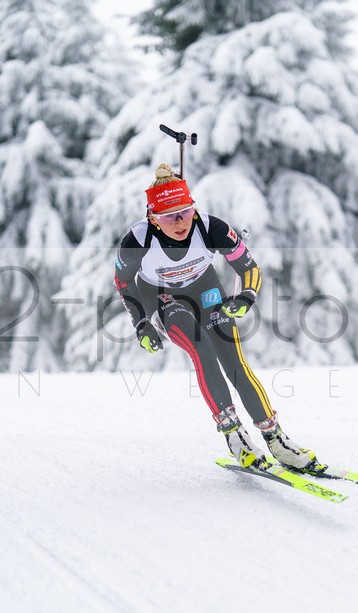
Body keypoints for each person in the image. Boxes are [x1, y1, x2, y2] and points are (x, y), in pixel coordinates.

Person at [114, 163, 322, 473]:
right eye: (169, 216)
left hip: (204, 288)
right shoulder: (137, 241)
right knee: (201, 348)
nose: (180, 221)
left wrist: (246, 297)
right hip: (161, 297)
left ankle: (275, 438)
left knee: (234, 360)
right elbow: (124, 283)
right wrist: (142, 323)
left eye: (185, 211)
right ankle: (234, 434)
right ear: (153, 219)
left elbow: (249, 268)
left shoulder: (211, 228)